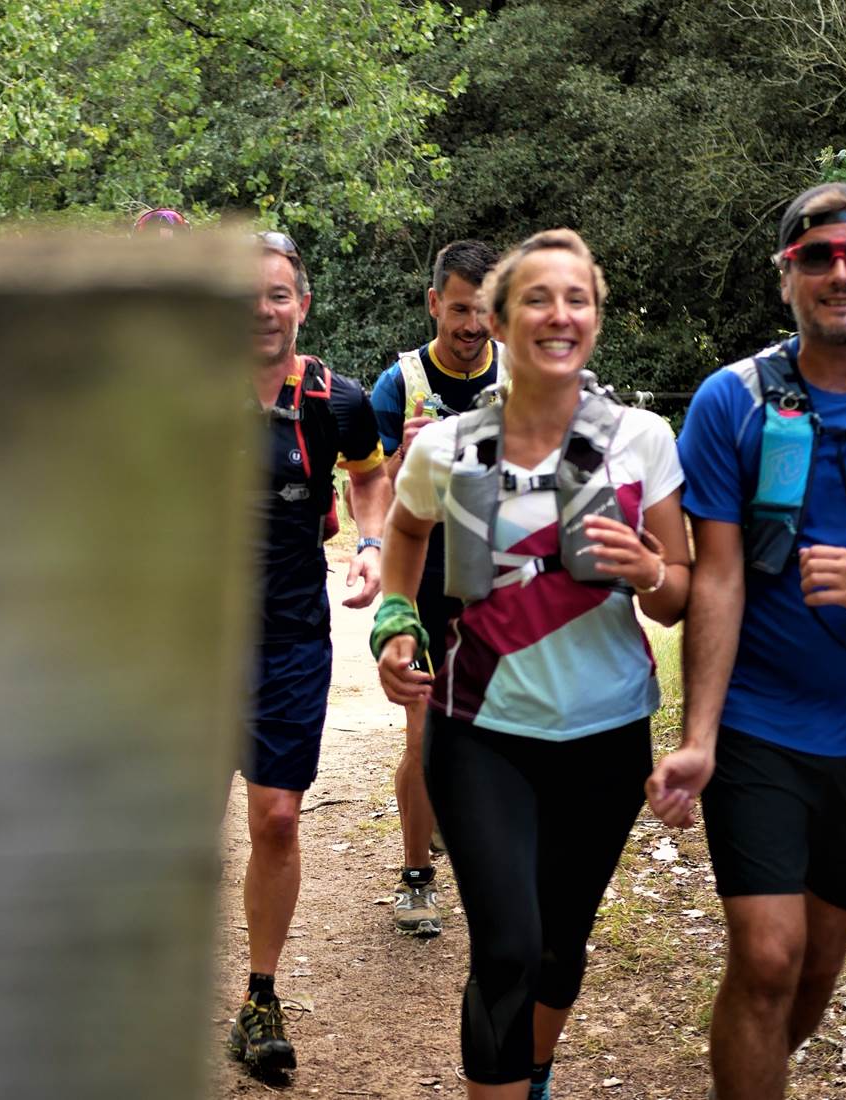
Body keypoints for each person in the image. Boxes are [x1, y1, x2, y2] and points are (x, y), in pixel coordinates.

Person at [373, 228, 690, 1099]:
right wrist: (396, 623)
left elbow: (679, 597)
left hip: (607, 732)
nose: (559, 313)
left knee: (559, 946)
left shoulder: (645, 440)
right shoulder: (447, 447)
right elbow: (403, 534)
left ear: (596, 317)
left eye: (576, 298)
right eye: (536, 299)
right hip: (481, 732)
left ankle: (534, 1074)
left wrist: (650, 571)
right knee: (507, 947)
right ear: (501, 323)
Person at [646, 182, 846, 1100]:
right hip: (761, 724)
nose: (841, 273)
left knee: (820, 966)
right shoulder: (732, 402)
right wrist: (698, 737)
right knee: (769, 955)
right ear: (785, 276)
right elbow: (719, 575)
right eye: (818, 256)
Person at [227, 230, 391, 1075]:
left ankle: (260, 998)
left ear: (303, 303)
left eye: (278, 293)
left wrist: (369, 545)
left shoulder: (337, 399)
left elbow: (370, 476)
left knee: (278, 816)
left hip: (290, 634)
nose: (263, 308)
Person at [370, 238, 503, 936]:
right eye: (459, 310)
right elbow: (377, 494)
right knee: (424, 728)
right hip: (422, 577)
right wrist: (405, 449)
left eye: (483, 311)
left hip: (496, 583)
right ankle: (416, 877)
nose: (472, 326)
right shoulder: (400, 384)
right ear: (434, 304)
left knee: (490, 729)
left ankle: (486, 851)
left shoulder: (521, 373)